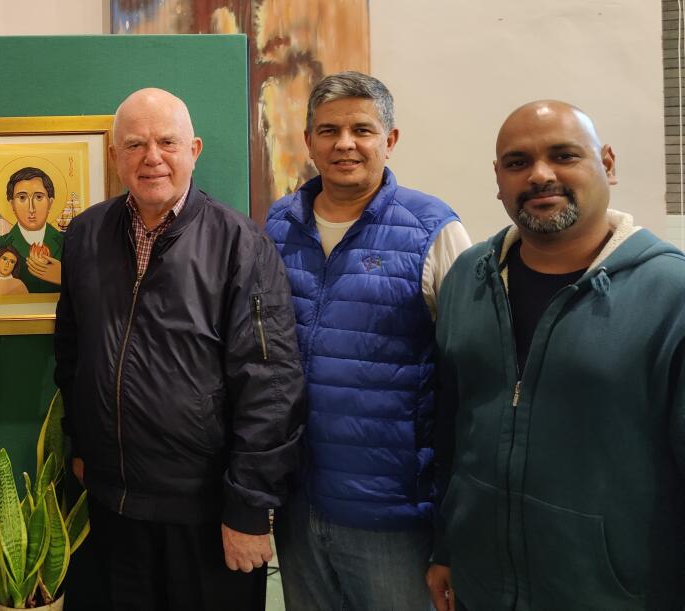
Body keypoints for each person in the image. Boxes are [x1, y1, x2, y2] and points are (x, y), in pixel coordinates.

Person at [53, 87, 306, 611]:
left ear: (194, 150)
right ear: (114, 155)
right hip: (107, 509)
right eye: (135, 144)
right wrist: (80, 446)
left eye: (167, 142)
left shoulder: (241, 244)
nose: (152, 158)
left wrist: (250, 510)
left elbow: (270, 385)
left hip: (207, 515)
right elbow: (71, 354)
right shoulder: (84, 235)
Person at [427, 100, 685, 611]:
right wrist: (447, 546)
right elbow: (455, 432)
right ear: (498, 179)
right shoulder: (468, 279)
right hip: (483, 587)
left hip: (618, 594)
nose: (541, 175)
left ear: (606, 163)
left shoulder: (670, 295)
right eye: (518, 163)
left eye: (564, 155)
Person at [263, 71, 470, 610]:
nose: (345, 144)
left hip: (394, 517)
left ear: (390, 140)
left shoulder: (433, 229)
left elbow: (470, 376)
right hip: (299, 506)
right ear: (308, 141)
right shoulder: (277, 225)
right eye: (328, 131)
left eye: (362, 129)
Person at [0, 166, 63, 293]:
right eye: (22, 198)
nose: (31, 208)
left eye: (39, 197)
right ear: (12, 204)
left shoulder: (67, 244)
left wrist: (65, 276)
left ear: (50, 202)